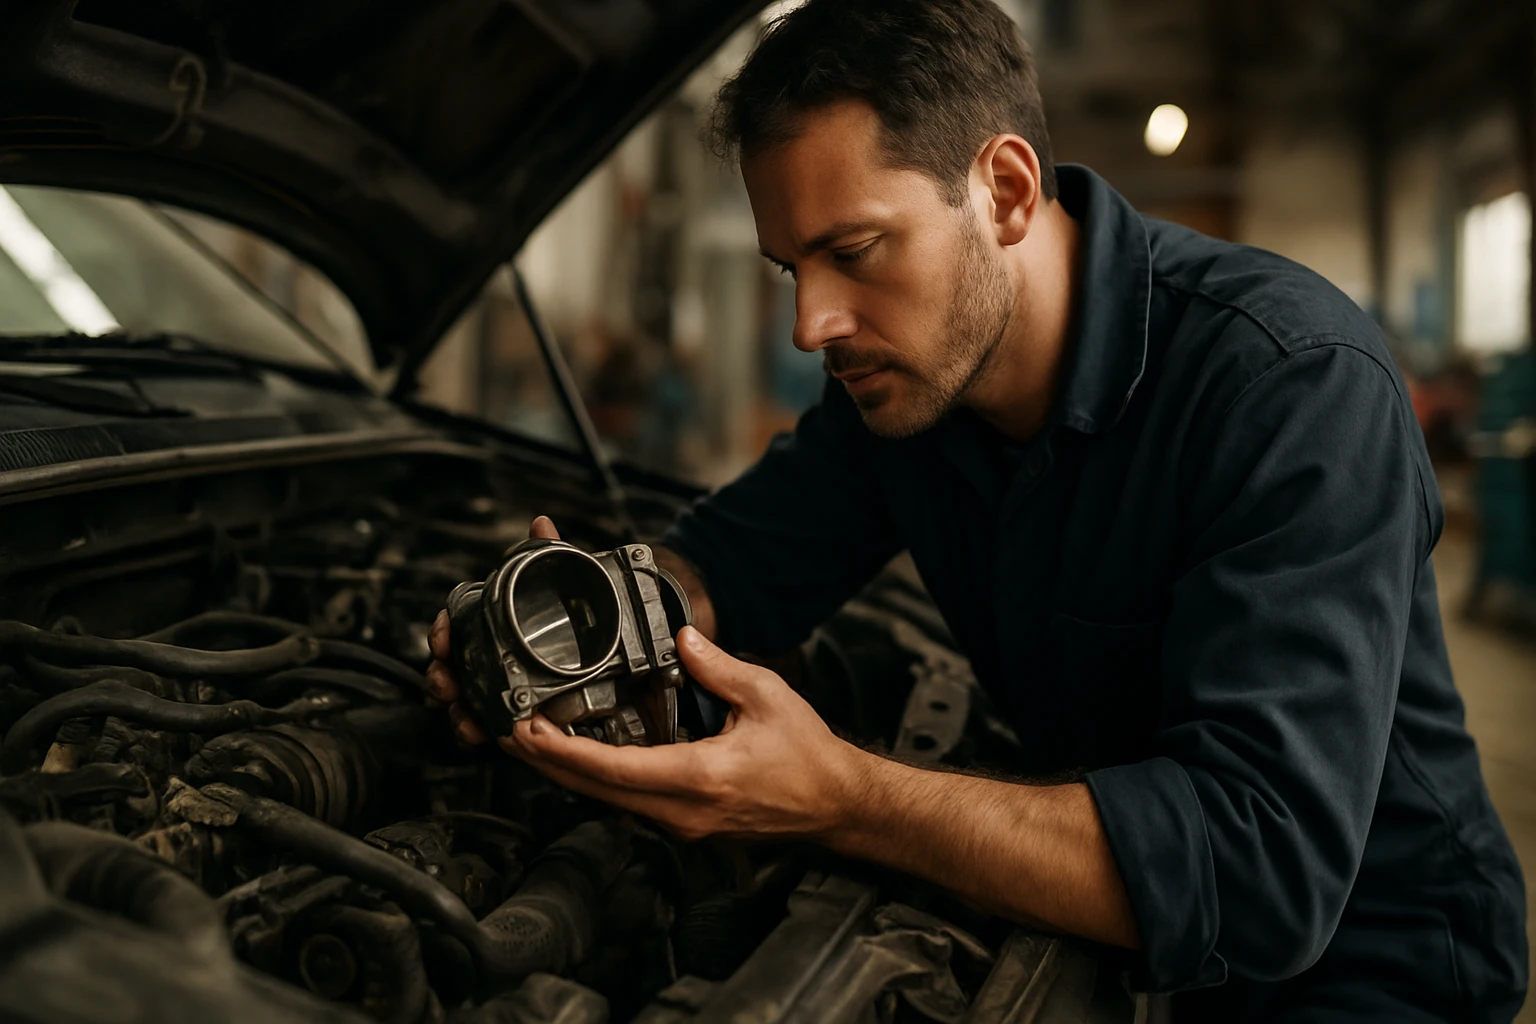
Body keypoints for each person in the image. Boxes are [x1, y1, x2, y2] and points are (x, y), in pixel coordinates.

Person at [426, 1, 1528, 1018]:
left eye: (852, 252)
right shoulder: (904, 386)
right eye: (789, 269)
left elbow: (1260, 873)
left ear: (1003, 188)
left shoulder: (1289, 386)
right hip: (1129, 942)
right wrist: (580, 630)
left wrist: (842, 795)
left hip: (1373, 972)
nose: (813, 323)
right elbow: (730, 565)